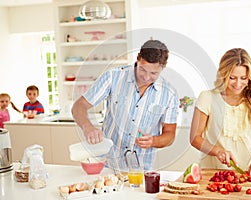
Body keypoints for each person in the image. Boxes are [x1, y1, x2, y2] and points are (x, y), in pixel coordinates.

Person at [72, 39, 179, 170]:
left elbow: (170, 134)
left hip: (141, 170)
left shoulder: (169, 94)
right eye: (142, 69)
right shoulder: (113, 77)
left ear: (163, 68)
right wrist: (87, 126)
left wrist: (154, 141)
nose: (146, 77)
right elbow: (79, 106)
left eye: (153, 73)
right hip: (108, 166)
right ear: (137, 59)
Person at [190, 48, 251, 176]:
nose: (238, 84)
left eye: (243, 78)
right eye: (232, 78)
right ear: (223, 75)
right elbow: (195, 137)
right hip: (212, 173)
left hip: (246, 172)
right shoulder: (207, 97)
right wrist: (217, 151)